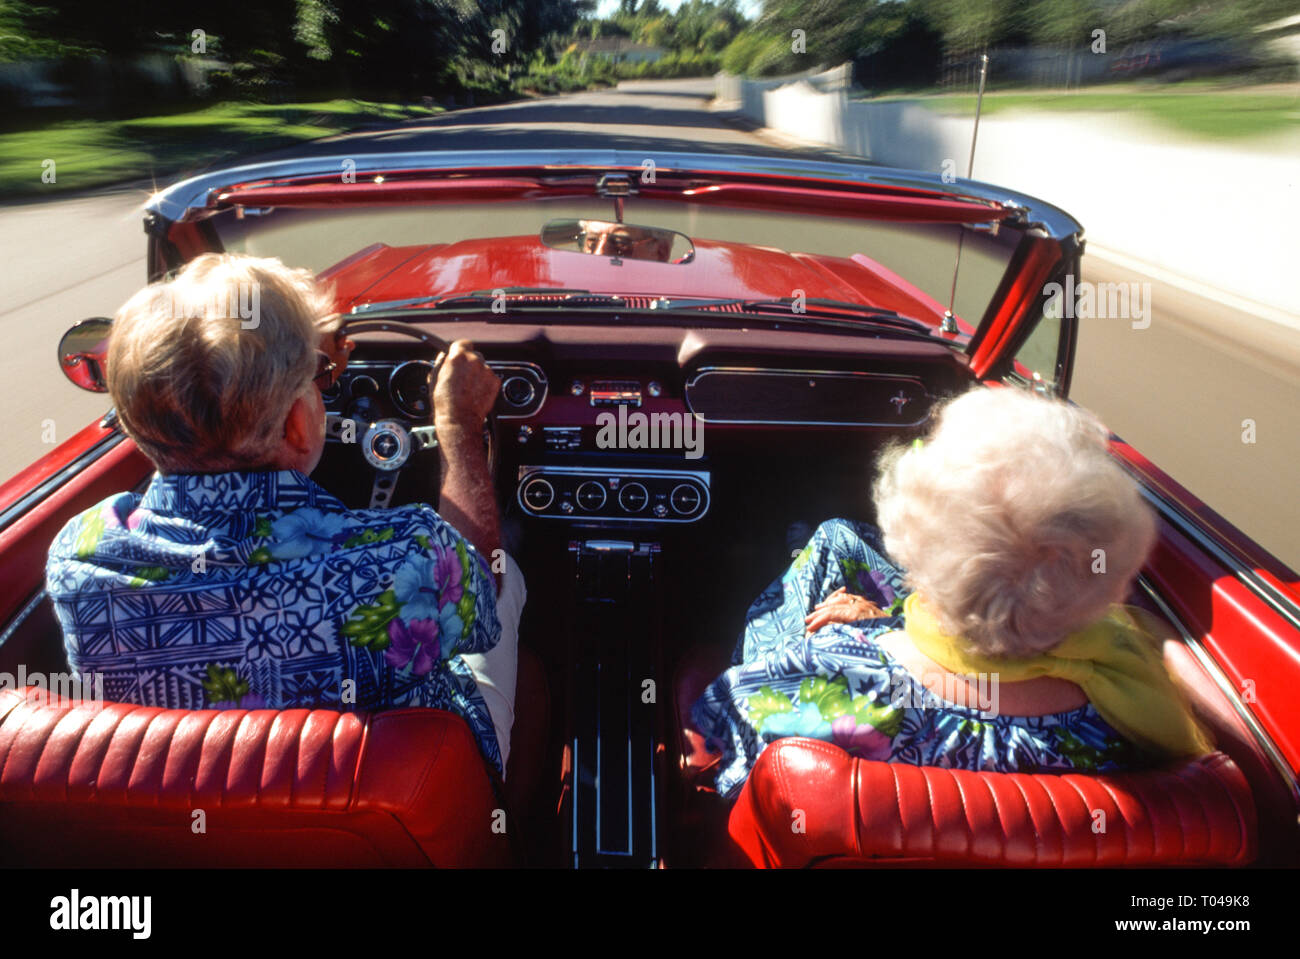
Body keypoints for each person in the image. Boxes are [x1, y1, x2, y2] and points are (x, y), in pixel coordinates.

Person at [45, 253, 525, 776]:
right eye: (315, 380)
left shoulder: (81, 556)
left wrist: (288, 370)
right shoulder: (414, 557)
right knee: (509, 579)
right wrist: (457, 425)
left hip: (188, 824)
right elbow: (483, 601)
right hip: (401, 801)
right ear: (298, 423)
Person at [693, 386, 1211, 799]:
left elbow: (702, 757)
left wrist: (875, 633)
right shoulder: (1141, 710)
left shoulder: (819, 676)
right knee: (835, 538)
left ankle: (797, 545)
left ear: (910, 546)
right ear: (1108, 583)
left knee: (827, 541)